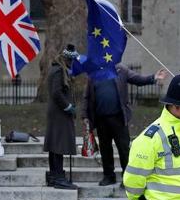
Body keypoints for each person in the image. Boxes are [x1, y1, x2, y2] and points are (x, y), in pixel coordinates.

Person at [82, 64, 168, 186]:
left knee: (124, 150)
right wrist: (84, 115)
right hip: (101, 119)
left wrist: (153, 78)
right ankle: (108, 176)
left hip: (119, 118)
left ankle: (127, 178)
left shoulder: (121, 70)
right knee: (105, 149)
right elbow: (87, 97)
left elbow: (137, 79)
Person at [43, 44, 78, 190]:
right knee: (58, 145)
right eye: (71, 60)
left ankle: (55, 175)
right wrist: (68, 106)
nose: (72, 62)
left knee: (56, 145)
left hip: (57, 113)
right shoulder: (58, 71)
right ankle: (58, 177)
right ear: (66, 59)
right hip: (59, 113)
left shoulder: (59, 69)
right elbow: (57, 92)